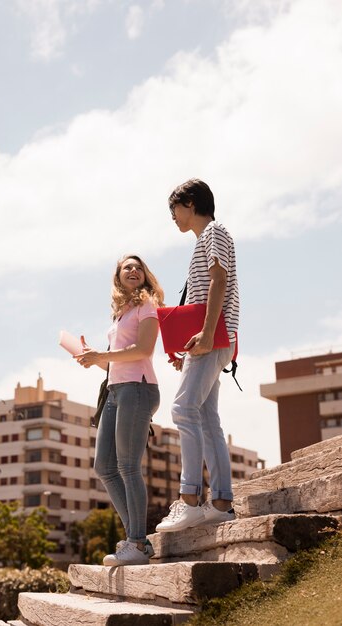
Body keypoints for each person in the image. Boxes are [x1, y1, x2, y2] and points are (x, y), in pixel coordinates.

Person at [156, 178, 239, 533]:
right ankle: (220, 502)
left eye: (173, 209)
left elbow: (219, 280)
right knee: (206, 418)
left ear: (189, 203)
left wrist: (205, 335)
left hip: (213, 338)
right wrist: (189, 344)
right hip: (213, 340)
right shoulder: (206, 240)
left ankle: (190, 499)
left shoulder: (214, 232)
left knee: (182, 409)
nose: (172, 217)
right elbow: (205, 293)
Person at [74, 254, 164, 565]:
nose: (134, 271)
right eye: (128, 267)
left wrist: (105, 354)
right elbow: (114, 360)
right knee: (104, 467)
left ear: (145, 275)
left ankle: (137, 544)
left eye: (139, 267)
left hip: (138, 389)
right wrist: (92, 357)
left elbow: (143, 350)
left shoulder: (147, 306)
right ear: (118, 276)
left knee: (128, 467)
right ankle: (136, 540)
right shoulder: (119, 314)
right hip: (114, 391)